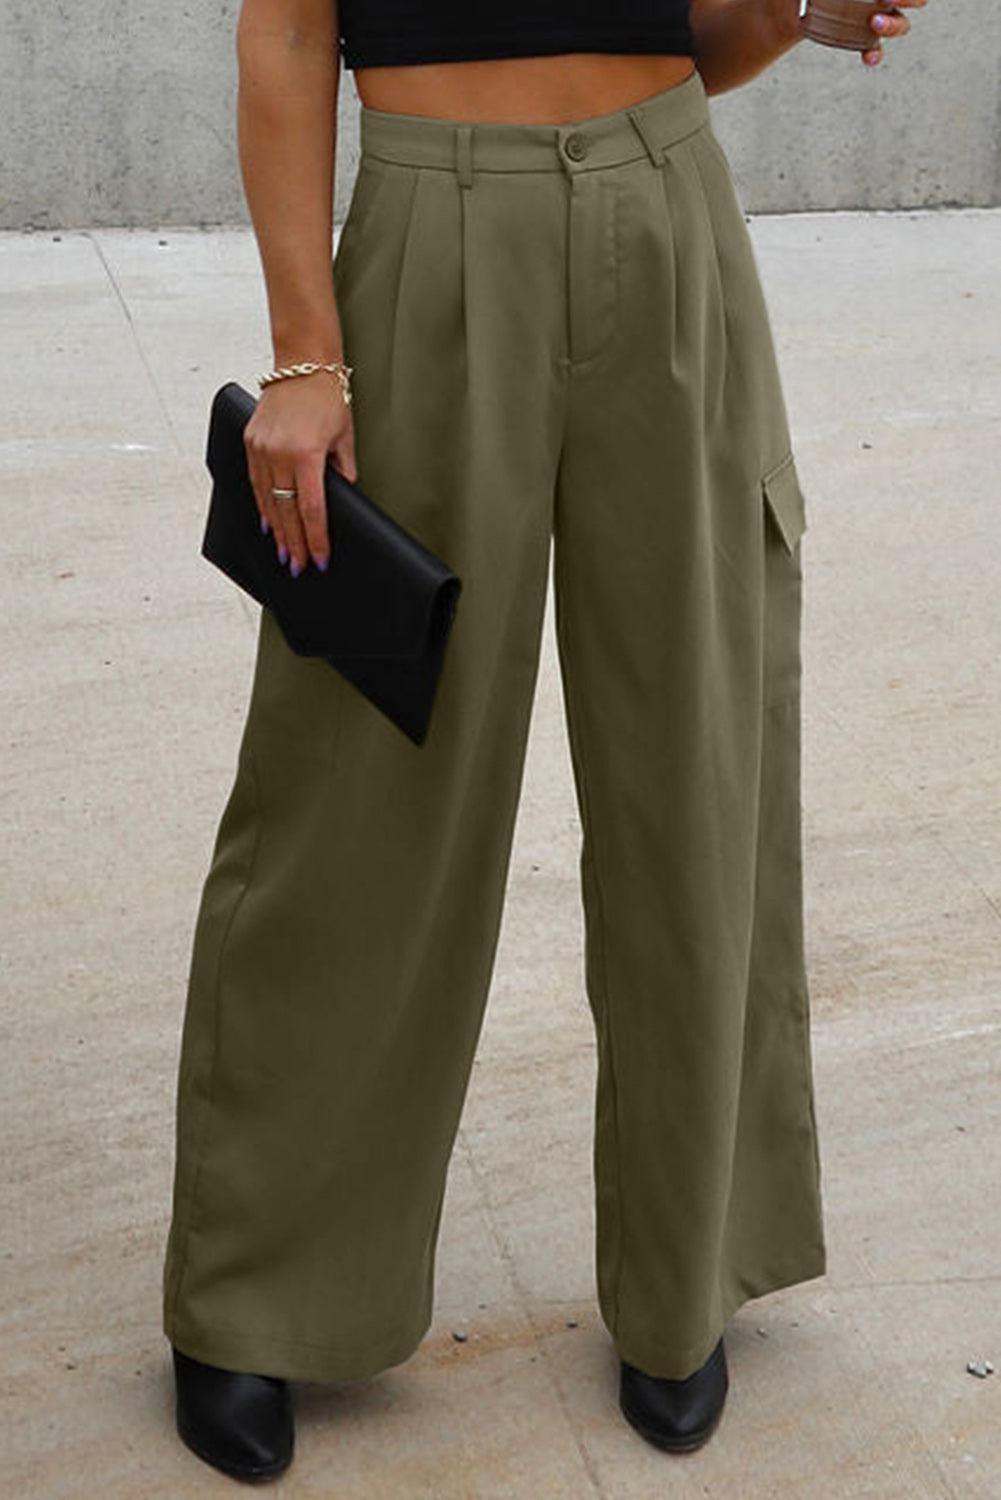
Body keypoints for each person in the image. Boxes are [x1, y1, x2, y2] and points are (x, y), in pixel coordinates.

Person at [161, 0, 920, 1483]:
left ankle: (683, 1277)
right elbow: (289, 34)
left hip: (667, 206)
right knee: (356, 784)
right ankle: (253, 1295)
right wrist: (306, 356)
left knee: (694, 767)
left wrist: (786, 13)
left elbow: (702, 34)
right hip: (431, 235)